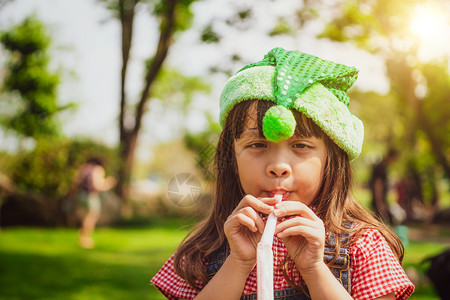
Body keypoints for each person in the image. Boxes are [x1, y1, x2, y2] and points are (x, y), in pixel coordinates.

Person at [152, 48, 414, 299]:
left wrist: (314, 269)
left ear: (330, 160)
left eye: (300, 145)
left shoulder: (363, 246)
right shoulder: (203, 250)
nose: (278, 166)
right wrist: (237, 263)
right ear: (232, 159)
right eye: (257, 145)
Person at [73, 157, 116, 248]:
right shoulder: (98, 169)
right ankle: (85, 238)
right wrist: (108, 184)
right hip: (90, 195)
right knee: (92, 216)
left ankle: (83, 236)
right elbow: (98, 185)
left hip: (81, 194)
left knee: (87, 215)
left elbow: (75, 181)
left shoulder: (84, 167)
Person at [369, 149, 398, 225]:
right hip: (379, 198)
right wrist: (380, 202)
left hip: (380, 198)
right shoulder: (381, 167)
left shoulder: (382, 166)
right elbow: (377, 185)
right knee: (382, 220)